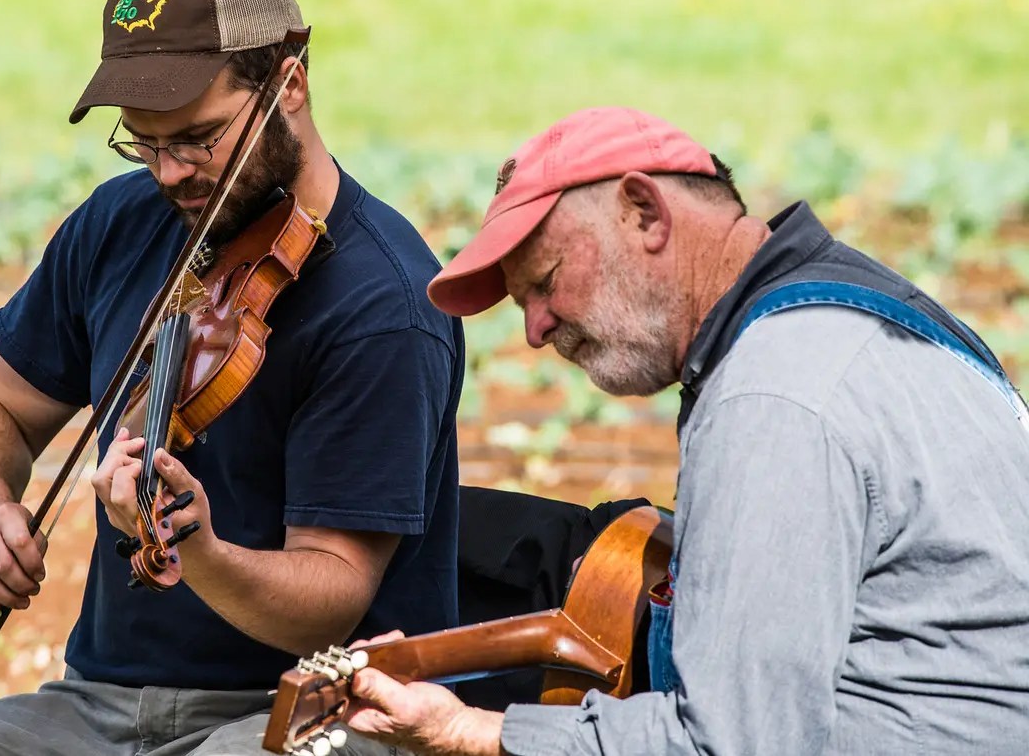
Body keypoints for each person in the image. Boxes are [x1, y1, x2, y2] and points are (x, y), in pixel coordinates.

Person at [0, 0, 464, 756]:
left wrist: (200, 550)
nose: (168, 174)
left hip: (317, 707)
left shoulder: (383, 303)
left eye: (198, 139)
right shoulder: (118, 223)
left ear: (288, 86)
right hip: (101, 704)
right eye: (143, 142)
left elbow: (333, 591)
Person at [342, 107, 1029, 755]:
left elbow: (729, 742)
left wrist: (475, 732)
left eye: (545, 283)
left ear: (645, 212)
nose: (534, 330)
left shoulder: (776, 393)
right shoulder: (850, 314)